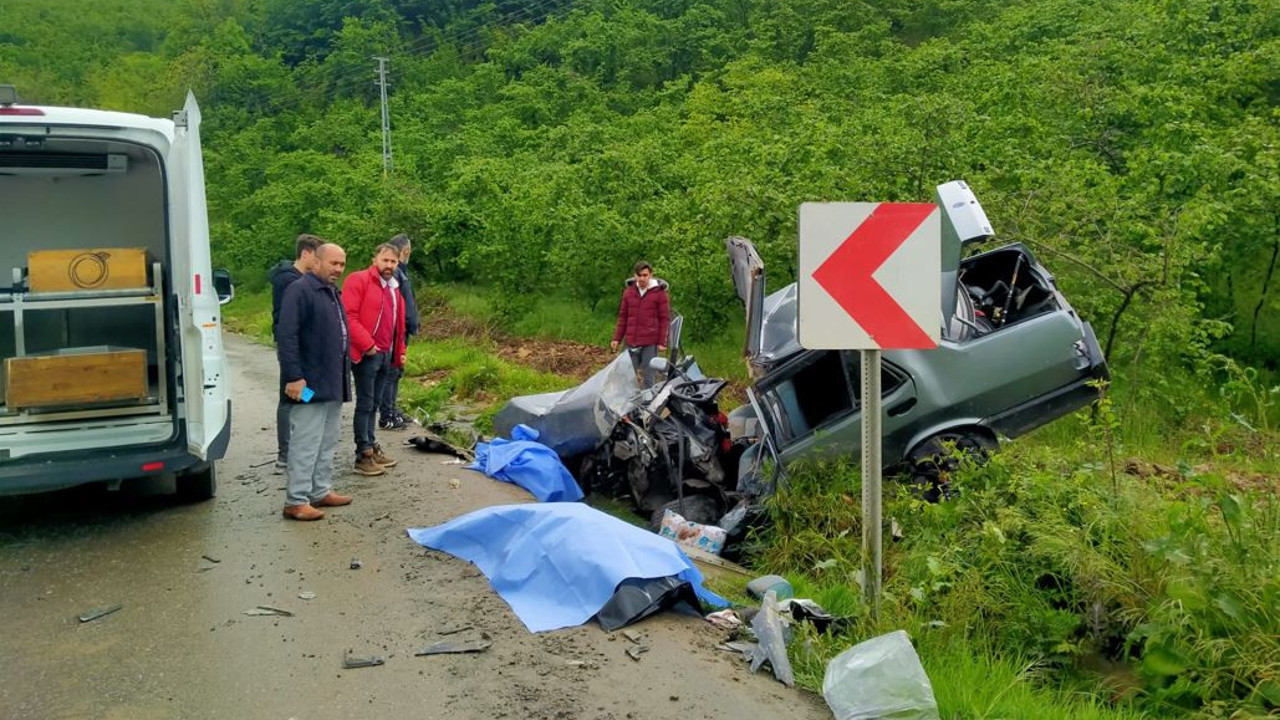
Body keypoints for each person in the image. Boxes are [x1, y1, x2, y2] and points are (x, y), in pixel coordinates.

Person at [275, 242, 353, 521]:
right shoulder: (299, 290)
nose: (338, 269)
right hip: (308, 386)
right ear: (316, 262)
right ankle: (296, 500)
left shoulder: (331, 292)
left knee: (327, 440)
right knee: (306, 440)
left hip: (332, 383)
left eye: (342, 264)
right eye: (333, 263)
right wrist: (294, 377)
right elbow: (287, 336)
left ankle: (320, 491)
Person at [342, 243, 407, 476]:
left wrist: (399, 351)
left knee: (376, 404)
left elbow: (398, 324)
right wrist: (367, 344)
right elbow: (348, 316)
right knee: (366, 403)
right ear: (375, 259)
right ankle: (363, 453)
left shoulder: (394, 287)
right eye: (385, 260)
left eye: (393, 262)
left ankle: (371, 444)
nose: (389, 265)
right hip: (367, 353)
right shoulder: (358, 280)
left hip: (386, 354)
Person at [269, 234, 322, 472]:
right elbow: (287, 323)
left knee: (307, 395)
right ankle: (285, 454)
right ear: (306, 254)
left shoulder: (306, 278)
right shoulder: (287, 280)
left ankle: (303, 446)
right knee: (289, 397)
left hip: (308, 347)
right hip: (292, 348)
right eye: (317, 255)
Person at [378, 234, 419, 430]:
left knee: (396, 371)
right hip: (395, 332)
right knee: (391, 372)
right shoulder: (395, 274)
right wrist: (409, 324)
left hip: (400, 331)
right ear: (406, 251)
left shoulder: (400, 273)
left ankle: (392, 410)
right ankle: (387, 414)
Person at [610, 260, 670, 387]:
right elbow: (623, 317)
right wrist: (617, 338)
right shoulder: (629, 292)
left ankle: (649, 405)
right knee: (625, 376)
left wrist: (662, 342)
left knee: (649, 378)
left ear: (650, 275)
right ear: (635, 275)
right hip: (631, 341)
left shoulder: (660, 294)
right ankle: (626, 404)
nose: (642, 278)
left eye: (645, 275)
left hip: (650, 342)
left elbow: (664, 319)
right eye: (639, 275)